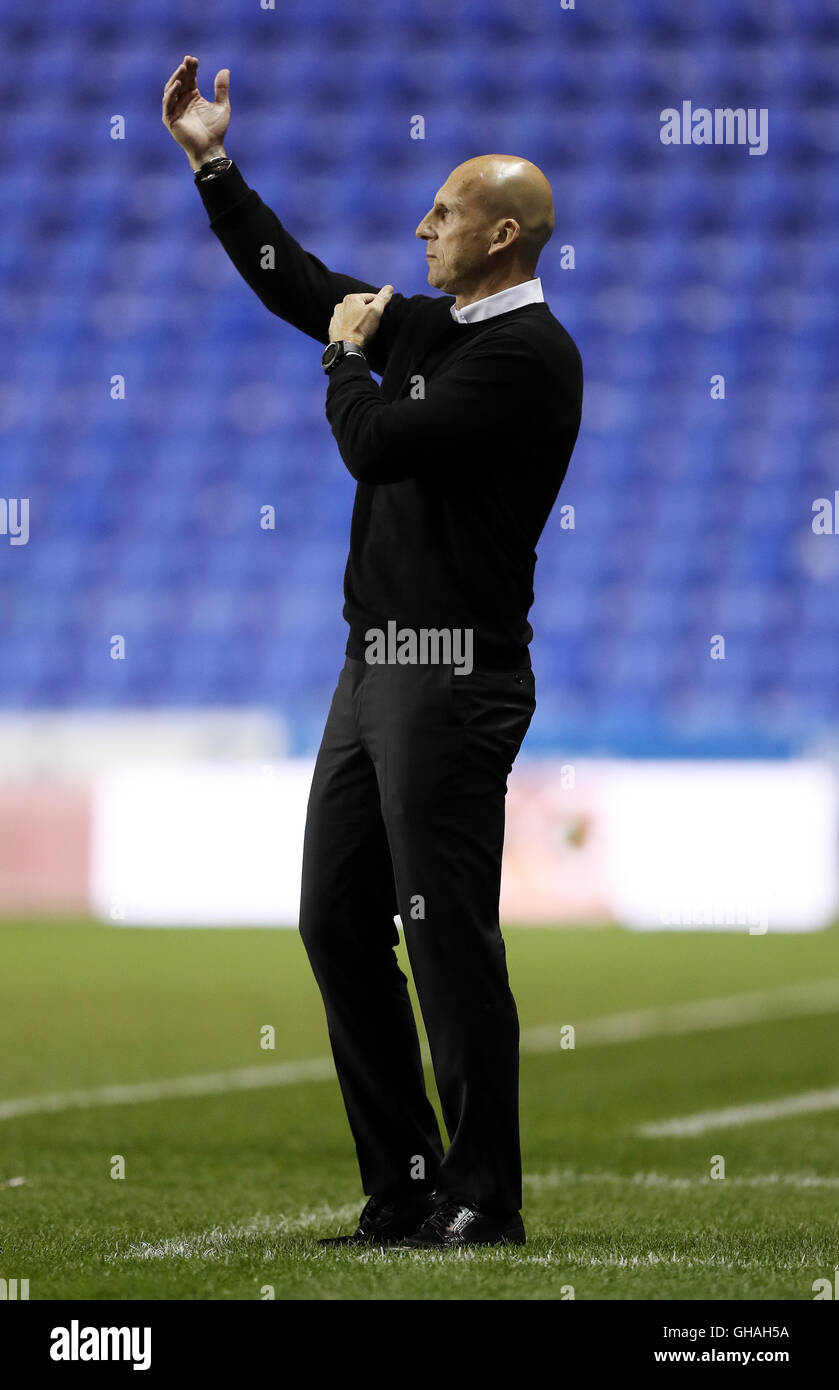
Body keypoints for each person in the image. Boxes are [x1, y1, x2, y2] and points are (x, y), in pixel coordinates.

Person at [163, 55, 582, 1249]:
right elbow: (295, 284)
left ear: (502, 235)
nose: (419, 227)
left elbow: (378, 444)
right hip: (375, 666)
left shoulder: (526, 358)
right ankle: (402, 1184)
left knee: (445, 931)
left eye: (442, 213)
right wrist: (213, 165)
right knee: (336, 920)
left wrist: (345, 361)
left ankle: (482, 1197)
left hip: (452, 671)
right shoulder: (434, 324)